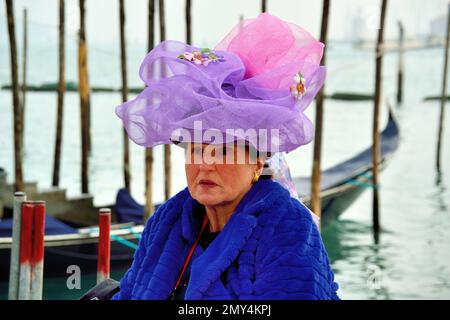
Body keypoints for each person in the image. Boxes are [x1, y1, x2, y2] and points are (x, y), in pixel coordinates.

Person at [112, 13, 339, 300]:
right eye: (196, 150)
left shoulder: (287, 226)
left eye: (222, 151)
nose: (205, 163)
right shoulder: (168, 220)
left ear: (257, 161)